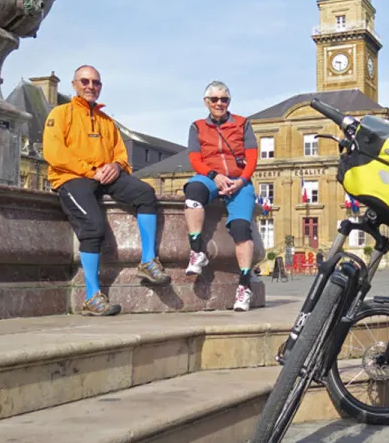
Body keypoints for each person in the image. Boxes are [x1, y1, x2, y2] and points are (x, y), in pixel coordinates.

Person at [43, 65, 170, 316]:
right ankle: (92, 298)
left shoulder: (106, 121)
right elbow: (54, 153)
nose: (91, 87)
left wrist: (115, 166)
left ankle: (147, 261)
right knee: (93, 227)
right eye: (85, 81)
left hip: (104, 174)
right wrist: (90, 171)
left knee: (145, 193)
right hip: (72, 176)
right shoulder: (61, 113)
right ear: (74, 84)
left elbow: (122, 157)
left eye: (96, 83)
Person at [183, 80, 258, 312]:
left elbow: (253, 157)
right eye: (214, 99)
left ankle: (244, 287)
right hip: (211, 177)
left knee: (240, 229)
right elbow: (195, 159)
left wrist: (241, 181)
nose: (219, 103)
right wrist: (214, 175)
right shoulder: (197, 127)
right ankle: (197, 252)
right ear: (206, 102)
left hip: (238, 179)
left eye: (224, 99)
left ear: (229, 101)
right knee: (193, 191)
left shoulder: (243, 124)